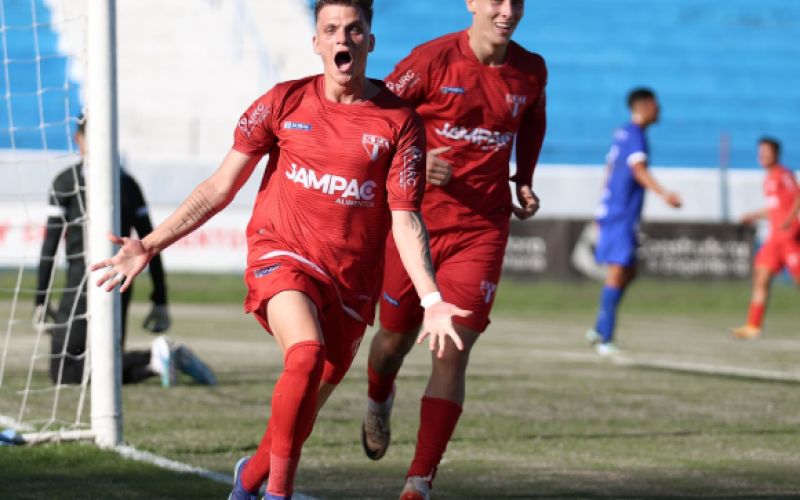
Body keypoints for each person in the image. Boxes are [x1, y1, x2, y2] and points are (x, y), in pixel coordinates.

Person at [91, 1, 468, 499]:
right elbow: (220, 187)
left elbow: (405, 217)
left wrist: (431, 297)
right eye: (330, 29)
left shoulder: (400, 123)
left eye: (354, 30)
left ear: (370, 41)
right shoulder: (282, 102)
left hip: (352, 285)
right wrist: (151, 245)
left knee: (302, 406)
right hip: (282, 256)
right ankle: (278, 495)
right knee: (307, 354)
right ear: (315, 43)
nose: (342, 39)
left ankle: (248, 480)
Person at [361, 1, 547, 498]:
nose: (506, 10)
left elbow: (532, 121)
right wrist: (418, 161)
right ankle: (379, 397)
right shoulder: (432, 60)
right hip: (413, 224)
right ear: (472, 2)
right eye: (495, 0)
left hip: (482, 229)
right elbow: (374, 113)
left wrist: (522, 180)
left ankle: (419, 481)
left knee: (452, 350)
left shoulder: (530, 70)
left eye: (516, 1)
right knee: (393, 341)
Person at [33, 116, 216, 387]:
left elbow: (50, 247)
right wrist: (160, 298)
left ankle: (155, 354)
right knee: (104, 365)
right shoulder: (129, 184)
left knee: (65, 371)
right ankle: (160, 360)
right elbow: (151, 244)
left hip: (84, 283)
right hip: (121, 283)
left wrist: (40, 299)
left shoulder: (67, 182)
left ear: (78, 139)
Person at [585, 88, 682, 356]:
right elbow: (637, 170)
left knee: (630, 269)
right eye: (657, 105)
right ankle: (604, 337)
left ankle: (599, 328)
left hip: (614, 211)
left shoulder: (623, 132)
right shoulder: (636, 135)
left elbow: (610, 170)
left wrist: (600, 207)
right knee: (619, 270)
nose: (659, 110)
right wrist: (664, 194)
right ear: (647, 105)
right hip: (620, 214)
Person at [732, 138, 800, 339]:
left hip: (789, 237)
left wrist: (788, 221)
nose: (763, 156)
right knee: (760, 276)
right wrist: (752, 215)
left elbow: (798, 196)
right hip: (774, 239)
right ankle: (753, 325)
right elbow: (773, 207)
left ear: (776, 154)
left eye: (767, 152)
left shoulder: (783, 175)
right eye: (760, 152)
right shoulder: (768, 179)